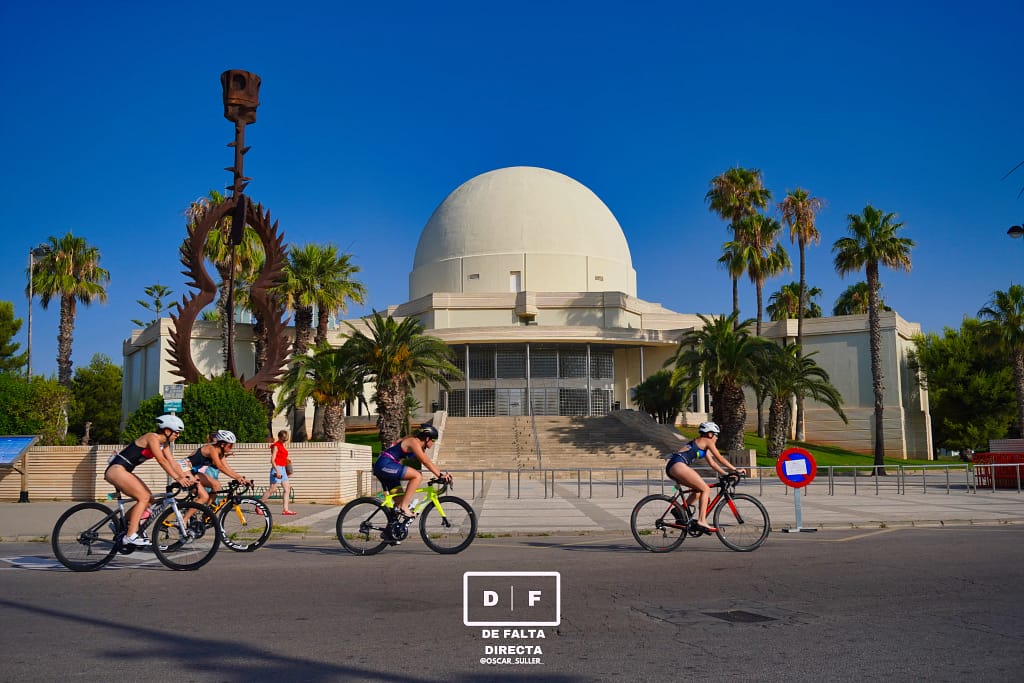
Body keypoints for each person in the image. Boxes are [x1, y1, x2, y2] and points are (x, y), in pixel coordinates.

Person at [104, 414, 196, 547]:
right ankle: (130, 536)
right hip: (116, 470)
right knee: (144, 497)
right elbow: (161, 460)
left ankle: (119, 524)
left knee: (149, 500)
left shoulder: (164, 444)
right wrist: (177, 478)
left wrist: (186, 477)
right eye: (176, 432)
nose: (178, 435)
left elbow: (172, 462)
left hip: (124, 470)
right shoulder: (151, 437)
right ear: (167, 431)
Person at [665, 421, 746, 533]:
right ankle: (702, 521)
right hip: (678, 465)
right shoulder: (707, 441)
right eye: (716, 435)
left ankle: (680, 511)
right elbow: (720, 458)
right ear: (710, 434)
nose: (717, 438)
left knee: (698, 492)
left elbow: (713, 464)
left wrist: (726, 474)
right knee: (705, 489)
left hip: (674, 466)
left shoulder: (703, 444)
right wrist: (735, 470)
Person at [373, 424, 451, 518]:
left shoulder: (416, 444)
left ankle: (392, 525)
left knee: (399, 501)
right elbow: (425, 461)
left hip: (388, 465)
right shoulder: (413, 442)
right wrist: (440, 475)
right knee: (417, 476)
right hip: (385, 464)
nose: (433, 443)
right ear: (427, 438)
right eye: (433, 440)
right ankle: (404, 507)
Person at [180, 429, 252, 511]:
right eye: (230, 446)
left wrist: (241, 478)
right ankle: (185, 518)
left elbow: (227, 468)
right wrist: (237, 478)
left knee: (217, 485)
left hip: (193, 471)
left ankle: (207, 512)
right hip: (183, 469)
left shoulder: (221, 453)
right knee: (204, 497)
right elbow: (220, 467)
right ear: (222, 444)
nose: (231, 448)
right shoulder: (212, 449)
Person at [260, 430, 295, 515]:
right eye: (283, 439)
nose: (284, 441)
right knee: (272, 489)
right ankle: (259, 505)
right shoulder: (276, 446)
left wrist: (288, 467)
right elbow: (272, 460)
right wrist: (277, 471)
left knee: (287, 489)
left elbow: (283, 457)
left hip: (283, 468)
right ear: (279, 437)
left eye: (286, 440)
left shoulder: (284, 445)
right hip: (276, 468)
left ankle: (285, 510)